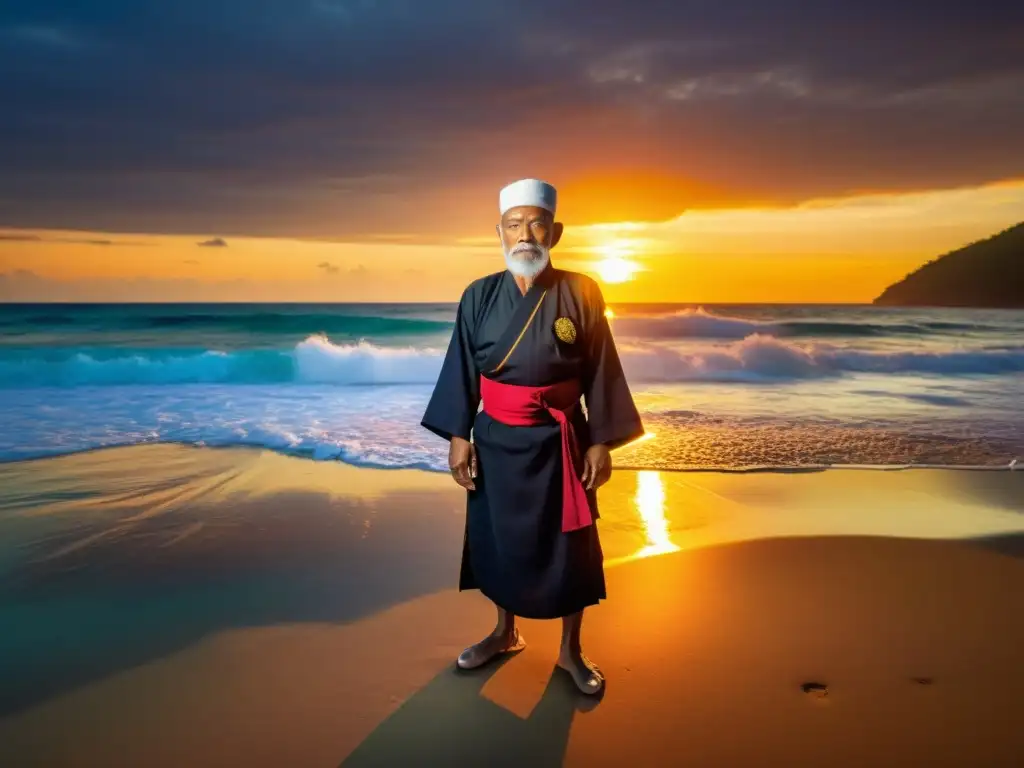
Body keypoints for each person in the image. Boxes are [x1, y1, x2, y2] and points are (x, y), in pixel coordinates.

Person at [420, 178, 644, 695]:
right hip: (497, 441)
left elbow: (603, 371)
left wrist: (601, 441)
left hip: (561, 442)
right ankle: (504, 631)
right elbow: (461, 368)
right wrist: (458, 433)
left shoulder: (581, 291)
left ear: (555, 231)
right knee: (499, 539)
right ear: (499, 232)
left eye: (536, 224)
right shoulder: (478, 295)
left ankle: (570, 651)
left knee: (571, 545)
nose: (525, 235)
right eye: (514, 225)